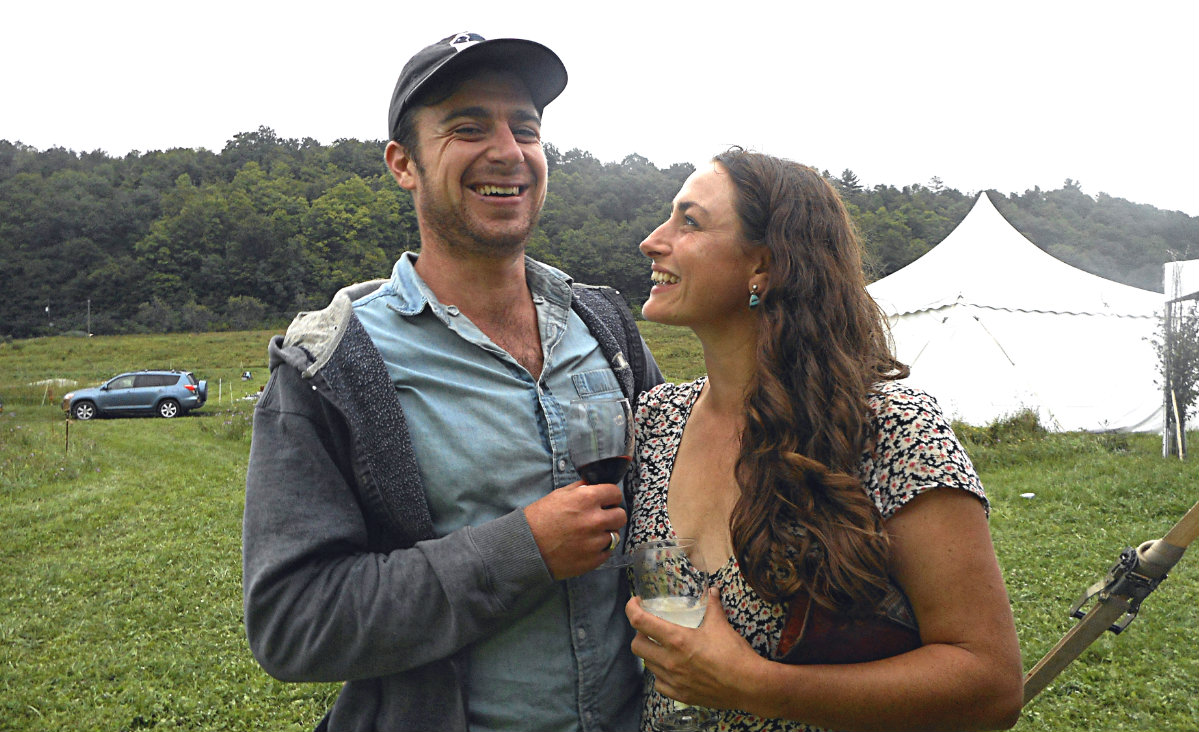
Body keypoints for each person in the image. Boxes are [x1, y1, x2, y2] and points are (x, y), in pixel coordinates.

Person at [242, 32, 662, 732]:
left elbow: (679, 514)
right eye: (468, 128)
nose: (508, 151)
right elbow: (293, 622)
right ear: (402, 164)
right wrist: (521, 550)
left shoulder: (607, 328)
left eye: (525, 128)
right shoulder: (332, 364)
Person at [624, 148, 1024, 731]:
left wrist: (755, 686)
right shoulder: (657, 420)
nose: (651, 241)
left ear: (763, 265)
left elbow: (991, 684)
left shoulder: (891, 429)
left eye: (690, 222)